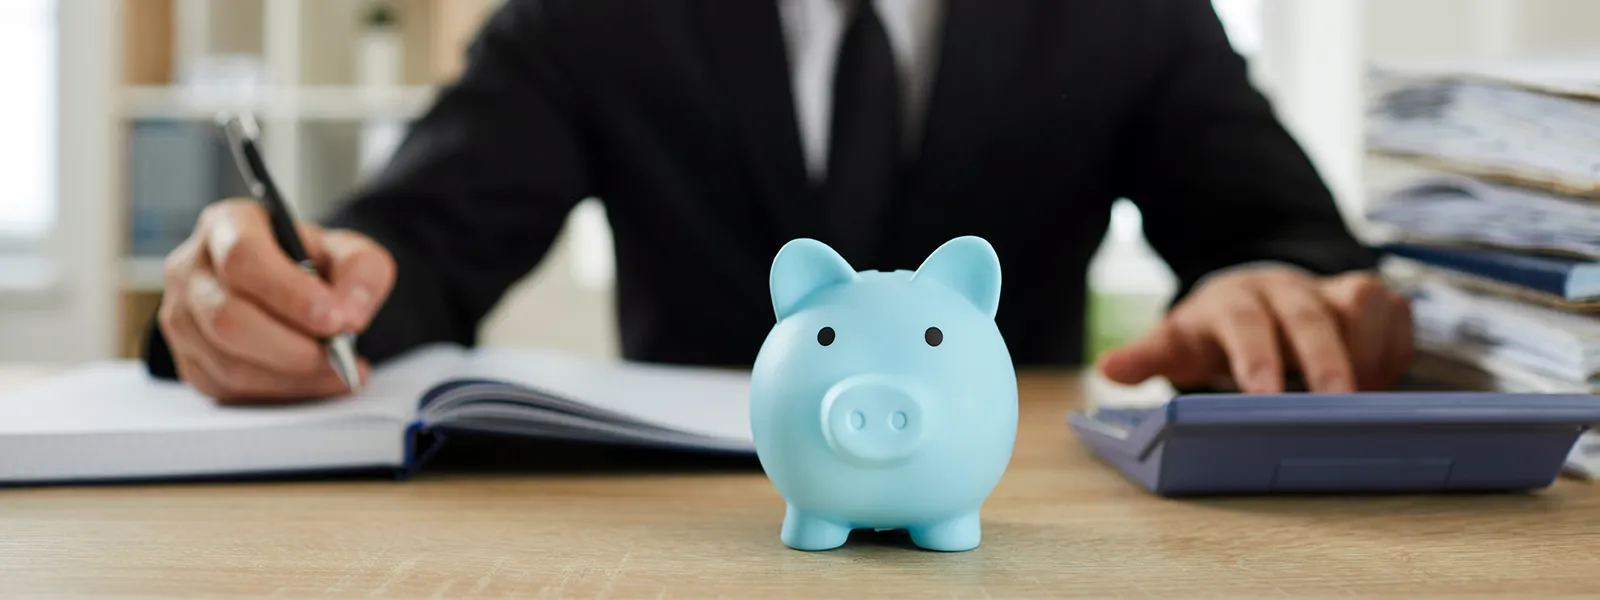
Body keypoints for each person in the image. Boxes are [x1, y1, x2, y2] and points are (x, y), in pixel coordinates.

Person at [141, 0, 1413, 403]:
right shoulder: (591, 12)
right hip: (688, 545)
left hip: (1015, 537)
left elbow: (1288, 241)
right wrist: (283, 290)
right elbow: (413, 246)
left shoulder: (1122, 9)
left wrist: (1266, 284)